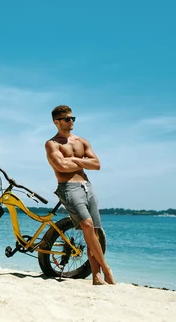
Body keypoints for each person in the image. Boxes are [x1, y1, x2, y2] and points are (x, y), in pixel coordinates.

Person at [44, 105, 115, 285]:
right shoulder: (52, 144)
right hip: (68, 187)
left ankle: (96, 276)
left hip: (87, 187)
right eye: (67, 119)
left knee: (95, 232)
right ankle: (106, 269)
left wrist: (74, 160)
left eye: (72, 118)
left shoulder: (82, 141)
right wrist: (83, 162)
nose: (71, 121)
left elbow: (97, 164)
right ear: (56, 122)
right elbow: (61, 167)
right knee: (87, 224)